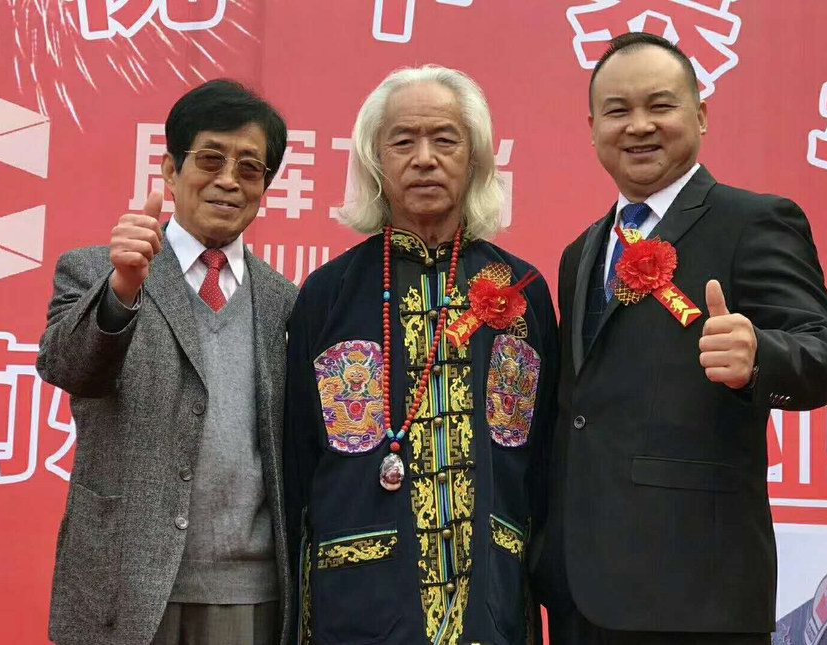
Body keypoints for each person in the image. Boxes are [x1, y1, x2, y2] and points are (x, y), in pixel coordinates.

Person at [530, 31, 827, 644]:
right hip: (579, 593)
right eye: (618, 111)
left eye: (661, 105)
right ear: (593, 128)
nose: (639, 126)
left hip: (695, 593)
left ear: (701, 115)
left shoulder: (753, 221)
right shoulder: (582, 251)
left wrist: (760, 356)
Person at [283, 65, 558, 644]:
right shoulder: (328, 294)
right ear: (375, 161)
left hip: (491, 594)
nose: (425, 159)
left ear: (475, 159)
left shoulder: (523, 291)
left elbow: (541, 464)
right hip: (360, 599)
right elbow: (298, 466)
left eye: (445, 140)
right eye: (403, 142)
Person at [37, 79, 298, 645]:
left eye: (249, 168)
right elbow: (68, 367)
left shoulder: (285, 301)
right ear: (171, 170)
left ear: (265, 187)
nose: (228, 180)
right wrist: (122, 290)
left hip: (248, 592)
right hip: (122, 579)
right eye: (210, 159)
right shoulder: (98, 271)